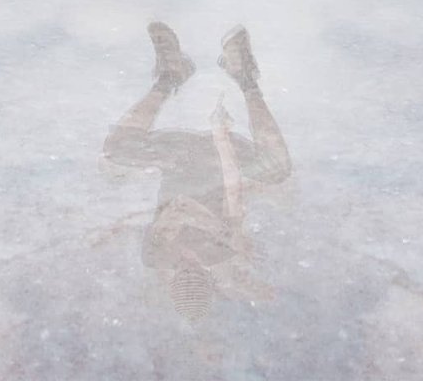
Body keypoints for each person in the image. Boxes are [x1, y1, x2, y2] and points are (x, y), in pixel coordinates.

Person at [102, 22, 292, 323]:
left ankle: (169, 77)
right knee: (277, 168)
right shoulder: (219, 251)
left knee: (117, 149)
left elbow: (178, 207)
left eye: (183, 270)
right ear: (206, 273)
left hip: (175, 158)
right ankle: (246, 78)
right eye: (195, 269)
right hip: (218, 158)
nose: (188, 261)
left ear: (174, 276)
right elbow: (233, 190)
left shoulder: (156, 254)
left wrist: (216, 227)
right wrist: (221, 138)